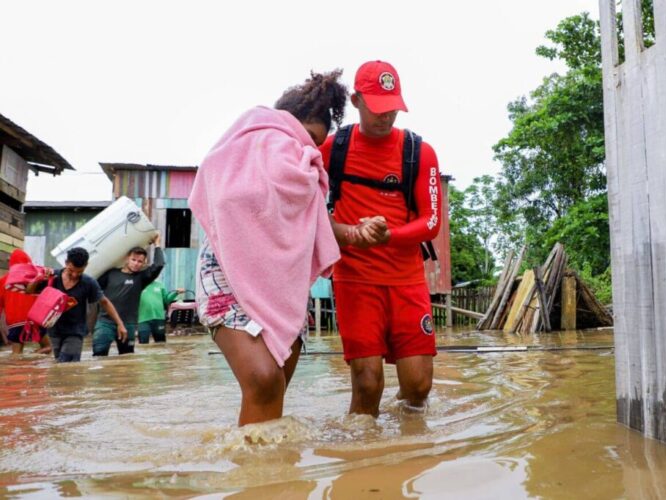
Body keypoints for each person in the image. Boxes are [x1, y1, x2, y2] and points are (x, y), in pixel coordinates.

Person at [189, 70, 382, 427]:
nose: (309, 149)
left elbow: (316, 229)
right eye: (307, 137)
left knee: (274, 386)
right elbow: (226, 201)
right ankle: (253, 472)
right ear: (281, 123)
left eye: (316, 144)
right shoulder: (232, 154)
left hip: (282, 287)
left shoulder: (306, 177)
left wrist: (356, 232)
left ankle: (271, 474)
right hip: (227, 278)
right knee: (263, 379)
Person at [319, 60, 442, 417]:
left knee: (419, 387)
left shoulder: (419, 152)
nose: (385, 117)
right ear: (356, 100)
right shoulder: (331, 149)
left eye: (392, 108)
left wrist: (389, 236)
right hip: (355, 280)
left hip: (407, 281)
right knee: (368, 383)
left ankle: (407, 448)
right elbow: (300, 202)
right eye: (376, 108)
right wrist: (349, 234)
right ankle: (362, 460)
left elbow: (431, 221)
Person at [27, 247, 127, 363]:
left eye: (79, 272)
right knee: (59, 366)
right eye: (71, 270)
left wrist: (120, 324)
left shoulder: (88, 283)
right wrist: (37, 278)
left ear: (86, 265)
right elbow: (29, 291)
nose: (74, 275)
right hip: (54, 330)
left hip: (75, 331)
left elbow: (104, 302)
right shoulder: (52, 277)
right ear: (66, 263)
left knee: (67, 363)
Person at [93, 235, 164, 356]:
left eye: (140, 261)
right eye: (133, 260)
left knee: (127, 356)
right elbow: (94, 286)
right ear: (127, 259)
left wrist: (157, 244)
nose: (136, 263)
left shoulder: (141, 278)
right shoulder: (111, 273)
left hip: (128, 323)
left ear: (143, 263)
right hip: (106, 322)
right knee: (99, 353)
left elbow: (159, 265)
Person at [1, 249, 51, 355]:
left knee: (16, 354)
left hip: (15, 322)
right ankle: (32, 357)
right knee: (47, 347)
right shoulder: (35, 277)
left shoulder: (3, 281)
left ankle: (18, 369)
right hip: (34, 320)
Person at [137, 279, 183, 344]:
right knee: (143, 343)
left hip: (159, 318)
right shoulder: (137, 284)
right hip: (143, 319)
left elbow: (166, 300)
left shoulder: (160, 285)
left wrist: (176, 293)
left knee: (161, 343)